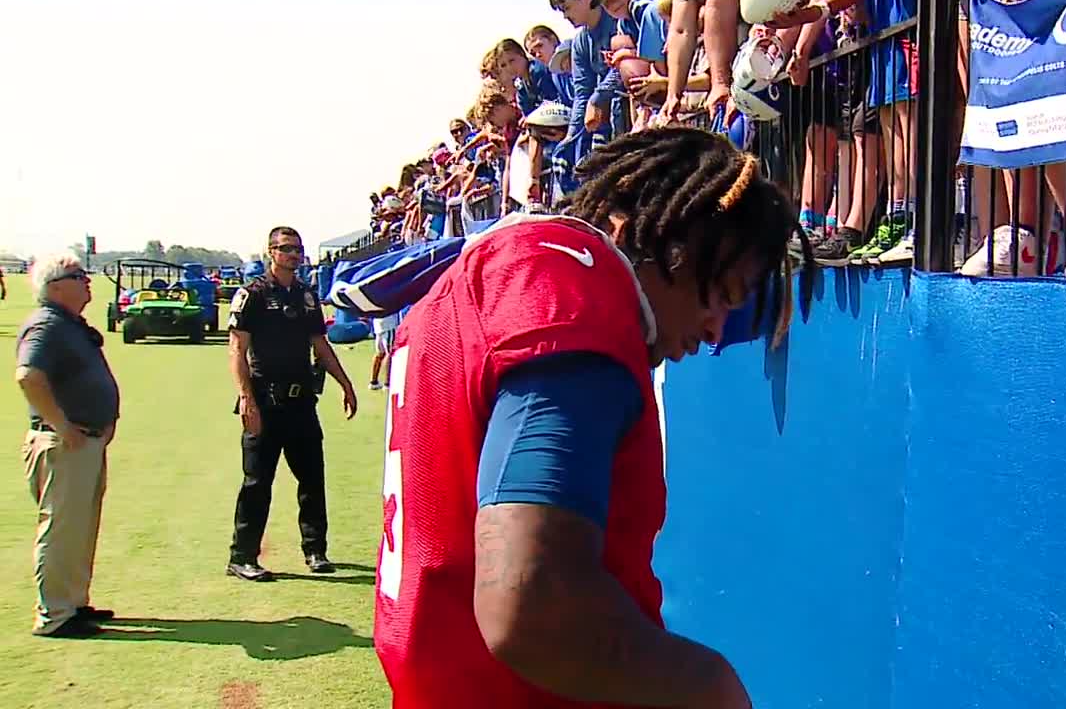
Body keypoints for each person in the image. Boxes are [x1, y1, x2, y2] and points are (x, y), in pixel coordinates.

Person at [374, 127, 814, 708]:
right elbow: (529, 603)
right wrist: (713, 690)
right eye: (718, 293)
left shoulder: (473, 283)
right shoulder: (568, 288)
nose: (713, 329)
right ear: (637, 233)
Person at [226, 226, 358, 582]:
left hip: (301, 404)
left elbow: (321, 345)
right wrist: (245, 399)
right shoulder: (252, 294)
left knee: (312, 478)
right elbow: (237, 350)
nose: (293, 256)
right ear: (271, 252)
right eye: (285, 249)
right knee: (257, 483)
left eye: (297, 249)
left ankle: (315, 550)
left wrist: (345, 383)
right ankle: (242, 556)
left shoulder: (306, 296)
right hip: (265, 401)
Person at [15, 252, 118, 638]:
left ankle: (74, 603)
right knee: (61, 529)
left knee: (80, 527)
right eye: (79, 276)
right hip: (63, 443)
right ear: (56, 286)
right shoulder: (46, 326)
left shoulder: (69, 325)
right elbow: (28, 376)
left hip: (85, 441)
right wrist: (62, 425)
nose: (88, 281)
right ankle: (55, 614)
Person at [369, 308, 402, 390]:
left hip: (378, 325)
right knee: (389, 353)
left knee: (380, 353)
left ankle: (374, 381)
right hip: (388, 324)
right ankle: (387, 383)